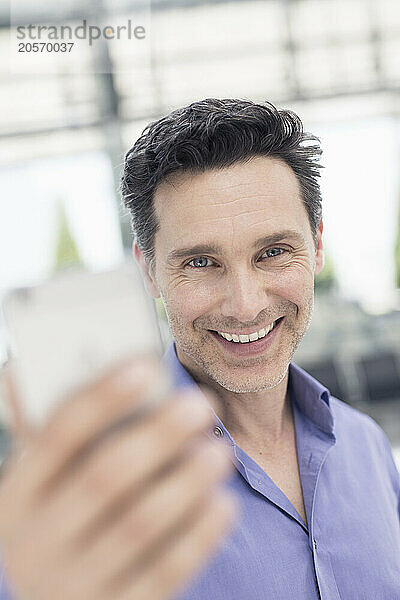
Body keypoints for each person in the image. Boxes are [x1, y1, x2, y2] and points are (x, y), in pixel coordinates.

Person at [0, 98, 399, 599]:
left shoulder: (365, 446)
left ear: (317, 245)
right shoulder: (92, 496)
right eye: (201, 263)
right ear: (149, 270)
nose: (246, 305)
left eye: (273, 252)